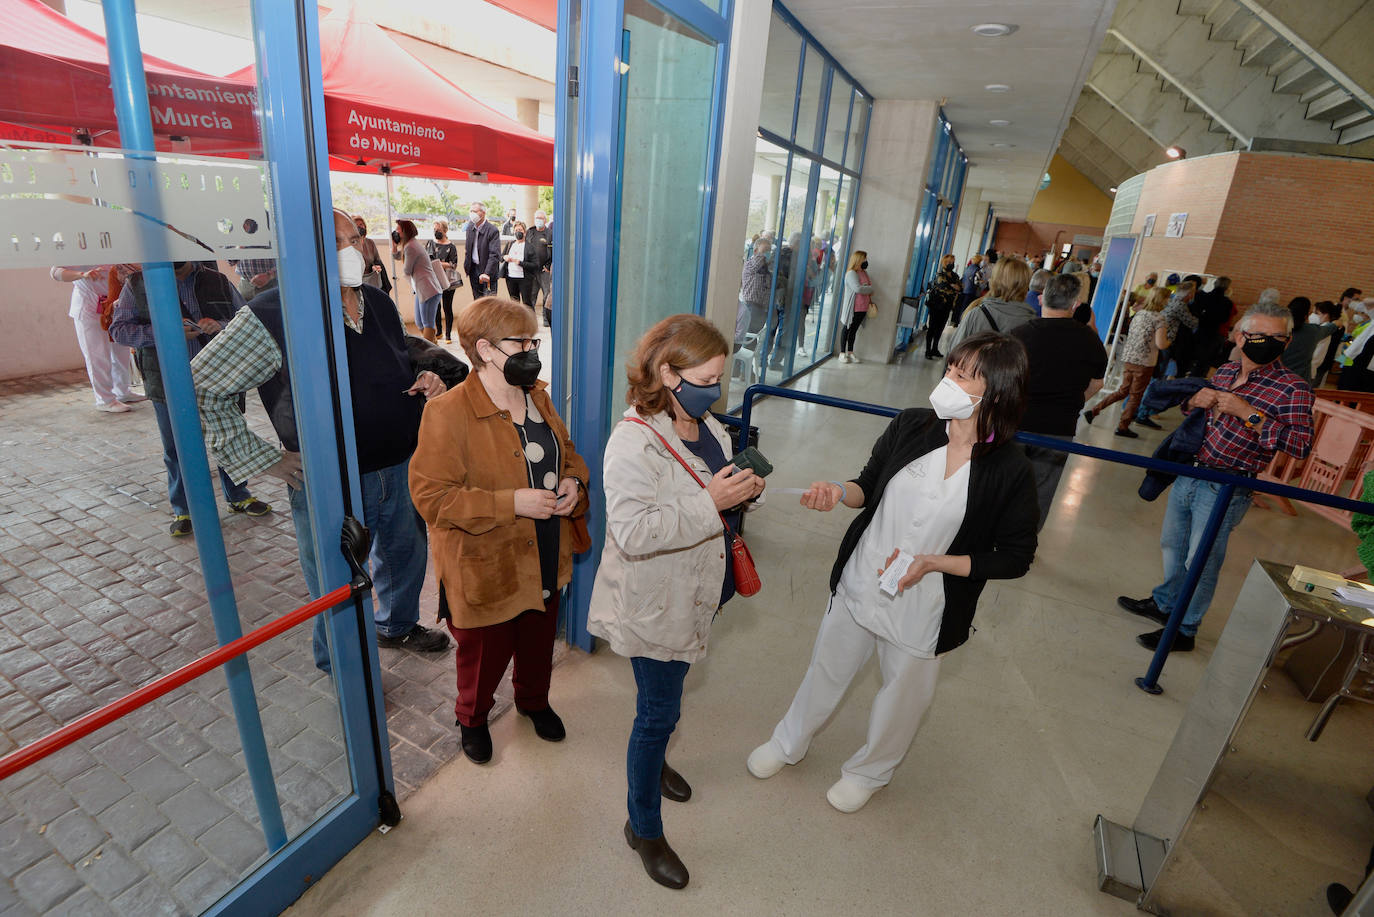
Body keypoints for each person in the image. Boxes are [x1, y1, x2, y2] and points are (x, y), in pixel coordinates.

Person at [747, 332, 1038, 815]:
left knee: (902, 698)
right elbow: (868, 485)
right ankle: (787, 742)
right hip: (864, 577)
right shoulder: (913, 426)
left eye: (962, 375)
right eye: (950, 368)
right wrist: (838, 492)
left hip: (929, 605)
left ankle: (869, 771)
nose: (947, 379)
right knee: (826, 668)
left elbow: (1015, 555)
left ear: (997, 393)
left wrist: (935, 564)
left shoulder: (1010, 470)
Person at [190, 208, 451, 670]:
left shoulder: (379, 302)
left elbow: (393, 362)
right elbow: (204, 385)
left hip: (400, 463)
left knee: (405, 555)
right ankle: (344, 667)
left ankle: (396, 625)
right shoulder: (271, 313)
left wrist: (425, 375)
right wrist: (261, 459)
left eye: (355, 239)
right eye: (336, 243)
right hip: (332, 479)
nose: (352, 251)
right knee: (338, 582)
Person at [587, 314, 764, 890]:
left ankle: (658, 757)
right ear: (668, 374)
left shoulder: (706, 426)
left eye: (721, 377)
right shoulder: (633, 441)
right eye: (708, 377)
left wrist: (740, 495)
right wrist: (711, 502)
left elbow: (715, 497)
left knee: (667, 696)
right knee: (657, 713)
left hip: (696, 592)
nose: (717, 388)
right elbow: (633, 533)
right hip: (655, 602)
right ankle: (643, 828)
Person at [409, 296, 589, 764]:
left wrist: (573, 480)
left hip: (546, 546)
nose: (532, 349)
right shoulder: (447, 413)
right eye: (522, 342)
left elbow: (566, 451)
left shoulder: (538, 396)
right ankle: (472, 716)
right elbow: (432, 498)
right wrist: (512, 503)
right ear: (485, 349)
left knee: (537, 635)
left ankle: (533, 700)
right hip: (486, 560)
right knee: (484, 654)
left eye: (534, 339)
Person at [1117, 301, 1314, 652]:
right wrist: (1194, 401)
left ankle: (1186, 628)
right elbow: (1194, 414)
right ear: (1240, 336)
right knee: (1173, 547)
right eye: (1259, 335)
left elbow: (1300, 445)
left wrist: (1249, 414)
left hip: (1227, 485)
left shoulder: (1292, 388)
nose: (1268, 342)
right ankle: (1165, 603)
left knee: (1202, 559)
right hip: (1191, 471)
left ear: (1287, 342)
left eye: (1277, 337)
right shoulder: (1224, 371)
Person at [109, 261, 271, 537]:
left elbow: (247, 319)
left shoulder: (217, 280)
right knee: (175, 447)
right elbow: (119, 330)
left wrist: (220, 325)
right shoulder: (138, 283)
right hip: (168, 379)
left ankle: (238, 495)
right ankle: (183, 509)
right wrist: (164, 332)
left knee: (228, 437)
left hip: (219, 378)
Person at [1009, 273, 1107, 529]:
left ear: (1042, 298)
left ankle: (994, 533)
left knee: (1004, 480)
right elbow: (1098, 383)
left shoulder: (1017, 335)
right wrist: (1074, 403)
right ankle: (1025, 540)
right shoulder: (1090, 340)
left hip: (1014, 422)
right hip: (1059, 427)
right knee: (1042, 487)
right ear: (1074, 304)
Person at [51, 265, 143, 413]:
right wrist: (82, 274)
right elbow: (55, 273)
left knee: (121, 352)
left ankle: (123, 391)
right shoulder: (76, 250)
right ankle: (105, 399)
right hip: (89, 307)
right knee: (97, 355)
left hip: (117, 304)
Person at [1085, 286, 1172, 437]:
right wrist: (1170, 341)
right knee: (1135, 396)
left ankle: (1094, 410)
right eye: (1167, 298)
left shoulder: (1138, 314)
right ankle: (1123, 427)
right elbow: (1161, 344)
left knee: (1123, 391)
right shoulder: (1159, 318)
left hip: (1129, 358)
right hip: (1145, 362)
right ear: (1162, 299)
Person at [950, 256, 1034, 345]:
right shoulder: (1032, 322)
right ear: (1026, 284)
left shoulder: (976, 313)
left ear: (994, 280)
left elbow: (955, 352)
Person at [395, 220, 443, 343]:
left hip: (428, 289)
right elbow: (399, 257)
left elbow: (407, 269)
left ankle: (430, 353)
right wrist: (395, 248)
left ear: (404, 231)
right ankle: (434, 347)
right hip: (421, 289)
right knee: (420, 323)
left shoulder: (411, 246)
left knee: (427, 323)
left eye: (398, 230)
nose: (395, 232)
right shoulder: (410, 245)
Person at [1279, 296, 1333, 386]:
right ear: (1306, 315)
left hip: (1277, 376)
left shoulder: (1278, 327)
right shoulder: (1312, 331)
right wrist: (1336, 323)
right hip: (1299, 380)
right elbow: (1329, 328)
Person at [1185, 276, 1233, 376]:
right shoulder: (1227, 303)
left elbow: (1194, 311)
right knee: (1204, 362)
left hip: (1197, 331)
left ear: (1215, 284)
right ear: (1227, 288)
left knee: (1190, 359)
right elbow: (1225, 319)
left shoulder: (1202, 296)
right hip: (1213, 334)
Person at [837, 250, 874, 364]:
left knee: (853, 331)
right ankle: (842, 353)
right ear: (858, 259)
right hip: (853, 308)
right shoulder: (851, 273)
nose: (866, 261)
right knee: (847, 329)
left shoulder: (864, 272)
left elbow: (867, 286)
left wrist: (866, 288)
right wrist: (868, 288)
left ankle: (850, 352)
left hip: (863, 307)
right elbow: (858, 288)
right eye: (864, 259)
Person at [426, 221, 459, 344]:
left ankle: (448, 334)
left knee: (447, 307)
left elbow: (453, 264)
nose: (436, 232)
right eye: (434, 229)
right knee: (436, 307)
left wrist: (439, 264)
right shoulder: (430, 243)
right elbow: (426, 258)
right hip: (433, 280)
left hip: (448, 280)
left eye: (438, 229)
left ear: (445, 231)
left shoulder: (452, 246)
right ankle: (439, 332)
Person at [924, 254, 961, 360]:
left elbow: (960, 287)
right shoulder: (940, 274)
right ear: (944, 263)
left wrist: (953, 287)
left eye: (952, 262)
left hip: (947, 306)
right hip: (936, 305)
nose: (951, 264)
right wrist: (953, 287)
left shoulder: (955, 276)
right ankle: (928, 350)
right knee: (932, 327)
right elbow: (943, 287)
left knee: (940, 328)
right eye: (949, 262)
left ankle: (935, 348)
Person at [464, 202, 502, 299]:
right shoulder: (469, 228)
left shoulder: (492, 230)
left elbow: (494, 254)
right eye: (471, 211)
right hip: (473, 269)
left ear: (483, 213)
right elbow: (468, 249)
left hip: (487, 271)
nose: (472, 214)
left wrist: (487, 273)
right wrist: (467, 267)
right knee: (477, 301)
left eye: (475, 211)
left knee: (489, 303)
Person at [739, 234, 773, 336]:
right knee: (750, 334)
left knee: (756, 334)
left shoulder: (766, 267)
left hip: (763, 307)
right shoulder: (750, 264)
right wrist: (761, 255)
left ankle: (751, 351)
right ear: (755, 252)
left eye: (769, 251)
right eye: (764, 251)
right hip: (752, 305)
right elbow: (756, 264)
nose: (767, 254)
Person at [502, 221, 539, 313]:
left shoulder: (530, 247)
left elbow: (535, 265)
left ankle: (531, 324)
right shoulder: (510, 244)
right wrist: (504, 257)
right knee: (514, 303)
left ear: (525, 232)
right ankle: (516, 323)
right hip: (510, 278)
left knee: (527, 303)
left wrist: (520, 263)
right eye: (516, 230)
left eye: (520, 230)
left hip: (524, 279)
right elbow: (501, 256)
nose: (518, 232)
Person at [526, 210, 554, 325]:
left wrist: (548, 266)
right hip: (532, 270)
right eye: (537, 218)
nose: (539, 220)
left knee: (546, 295)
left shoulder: (550, 233)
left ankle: (546, 319)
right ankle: (530, 320)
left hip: (544, 270)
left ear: (545, 220)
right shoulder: (530, 231)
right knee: (531, 295)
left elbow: (553, 251)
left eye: (541, 218)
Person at [353, 216, 391, 294]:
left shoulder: (370, 243)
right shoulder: (350, 244)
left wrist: (375, 267)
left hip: (372, 281)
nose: (359, 227)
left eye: (361, 225)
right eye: (356, 225)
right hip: (358, 283)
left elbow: (377, 260)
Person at [1311, 300, 1344, 387]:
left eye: (1316, 313)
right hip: (1322, 362)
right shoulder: (1330, 326)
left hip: (1321, 362)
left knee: (1312, 386)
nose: (1313, 316)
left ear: (1325, 314)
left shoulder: (1327, 329)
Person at [955, 255, 983, 327]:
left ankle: (957, 321)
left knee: (962, 307)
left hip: (964, 290)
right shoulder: (977, 270)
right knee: (967, 308)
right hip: (971, 291)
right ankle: (962, 323)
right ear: (979, 261)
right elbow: (977, 282)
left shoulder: (967, 268)